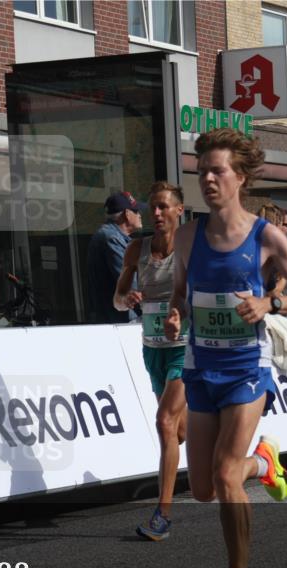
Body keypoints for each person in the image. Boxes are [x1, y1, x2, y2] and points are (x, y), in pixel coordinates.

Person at [164, 128, 287, 568]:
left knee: (227, 476)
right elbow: (178, 294)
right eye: (202, 171)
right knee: (205, 489)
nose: (208, 179)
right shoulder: (188, 236)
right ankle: (266, 464)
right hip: (200, 367)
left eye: (218, 171)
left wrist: (269, 301)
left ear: (241, 177)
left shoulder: (264, 236)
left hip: (245, 370)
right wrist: (174, 315)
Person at [113, 182, 188, 540]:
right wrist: (127, 298)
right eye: (152, 207)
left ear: (179, 211)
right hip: (152, 349)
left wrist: (181, 316)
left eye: (163, 207)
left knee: (164, 422)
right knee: (180, 431)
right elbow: (116, 299)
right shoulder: (135, 250)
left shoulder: (190, 250)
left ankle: (163, 514)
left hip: (186, 347)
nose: (156, 214)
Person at [87, 191, 146, 323]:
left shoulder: (113, 236)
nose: (140, 215)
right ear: (127, 214)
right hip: (119, 322)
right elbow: (131, 284)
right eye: (136, 211)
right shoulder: (111, 238)